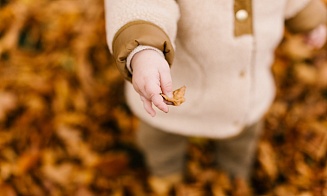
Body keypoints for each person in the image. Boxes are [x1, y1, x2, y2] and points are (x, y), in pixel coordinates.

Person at [104, 0, 326, 194]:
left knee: (241, 142)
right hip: (170, 88)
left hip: (243, 92)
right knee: (161, 139)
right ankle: (166, 172)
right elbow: (140, 3)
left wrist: (310, 18)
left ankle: (233, 178)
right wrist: (143, 50)